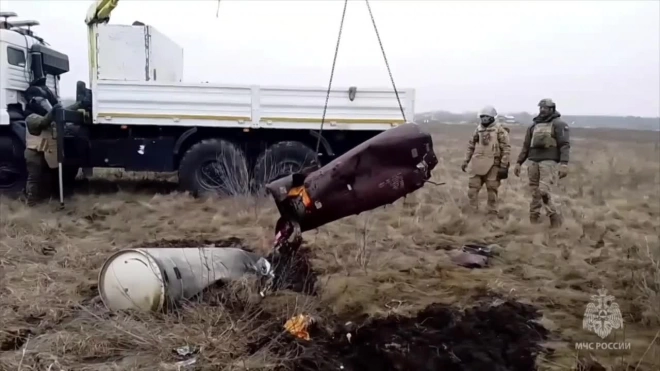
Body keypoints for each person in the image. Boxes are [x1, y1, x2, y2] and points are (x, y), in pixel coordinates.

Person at [513, 98, 570, 227]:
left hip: (548, 162)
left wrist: (564, 163)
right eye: (541, 108)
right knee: (534, 193)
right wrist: (518, 162)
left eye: (546, 108)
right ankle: (534, 220)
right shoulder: (533, 125)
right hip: (532, 161)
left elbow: (564, 145)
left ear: (552, 109)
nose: (543, 110)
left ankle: (554, 218)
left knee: (544, 191)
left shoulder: (558, 124)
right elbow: (526, 146)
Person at [461, 105, 511, 215]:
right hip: (477, 163)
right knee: (472, 189)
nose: (484, 119)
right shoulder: (478, 130)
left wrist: (503, 166)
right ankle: (472, 213)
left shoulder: (500, 130)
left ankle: (492, 214)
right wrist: (466, 161)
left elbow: (506, 148)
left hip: (494, 164)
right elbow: (471, 146)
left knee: (492, 190)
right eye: (482, 116)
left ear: (492, 117)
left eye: (486, 117)